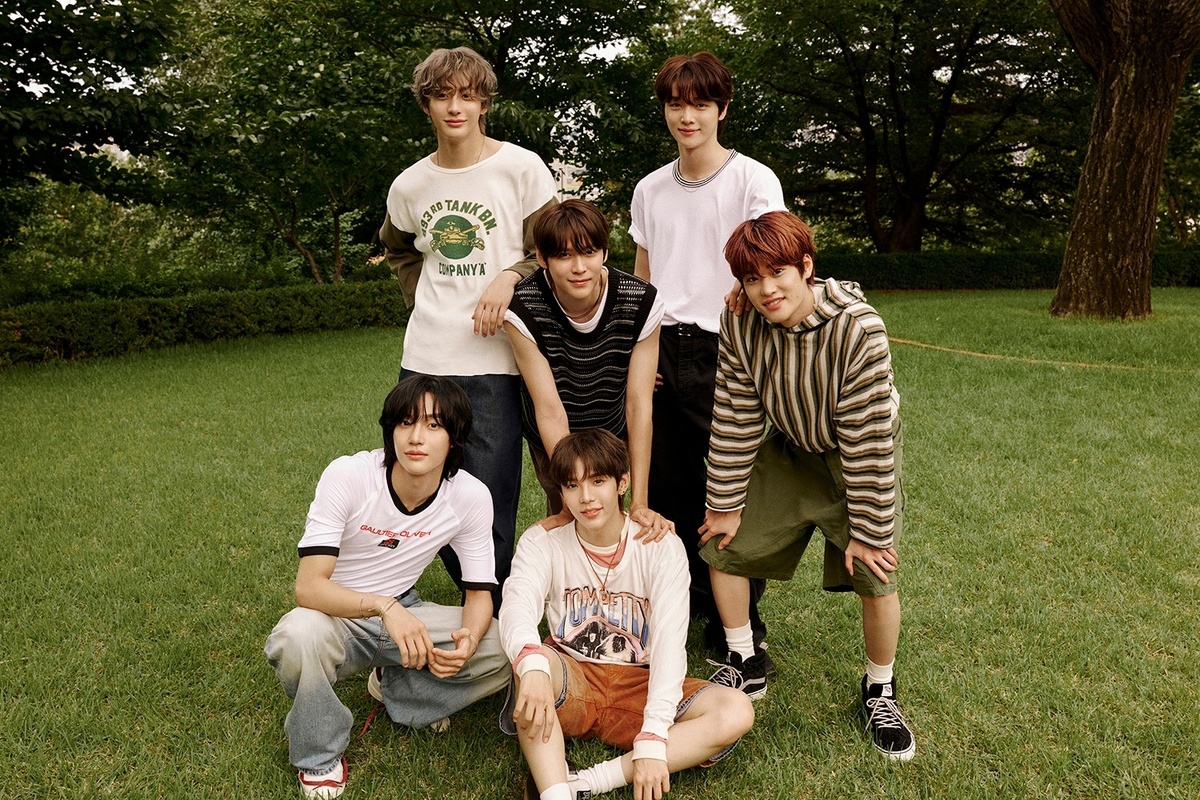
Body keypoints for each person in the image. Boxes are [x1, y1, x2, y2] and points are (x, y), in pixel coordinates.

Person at [698, 211, 915, 761]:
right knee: (722, 543)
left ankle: (880, 690)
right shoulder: (740, 322)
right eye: (752, 278)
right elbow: (735, 413)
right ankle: (745, 660)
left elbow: (868, 437)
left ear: (806, 267)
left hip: (854, 453)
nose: (767, 289)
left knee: (875, 570)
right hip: (792, 445)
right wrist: (724, 501)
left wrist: (869, 530)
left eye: (778, 273)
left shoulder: (858, 328)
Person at [264, 375, 512, 798]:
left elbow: (478, 594)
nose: (416, 437)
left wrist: (468, 640)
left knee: (505, 645)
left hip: (405, 611)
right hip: (335, 613)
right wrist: (384, 606)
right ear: (390, 429)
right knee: (296, 636)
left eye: (434, 425)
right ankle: (319, 755)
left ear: (455, 438)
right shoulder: (350, 476)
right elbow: (308, 588)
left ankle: (401, 690)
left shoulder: (469, 496)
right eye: (406, 422)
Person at [378, 46, 558, 606]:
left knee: (491, 491)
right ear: (426, 105)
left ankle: (493, 605)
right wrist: (422, 297)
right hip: (426, 357)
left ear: (484, 103)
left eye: (466, 95)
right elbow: (399, 250)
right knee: (416, 482)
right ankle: (452, 589)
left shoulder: (521, 169)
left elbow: (551, 251)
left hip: (496, 361)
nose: (455, 107)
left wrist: (509, 276)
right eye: (442, 96)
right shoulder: (410, 185)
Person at [628, 51, 786, 653]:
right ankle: (683, 602)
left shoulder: (753, 180)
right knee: (668, 489)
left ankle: (737, 627)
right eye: (676, 104)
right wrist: (639, 353)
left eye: (700, 104)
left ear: (722, 109)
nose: (687, 116)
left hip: (730, 344)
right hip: (662, 347)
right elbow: (643, 278)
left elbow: (772, 259)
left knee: (726, 489)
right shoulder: (649, 189)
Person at [499, 429, 754, 800]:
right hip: (573, 675)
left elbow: (669, 642)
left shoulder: (659, 546)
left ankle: (589, 782)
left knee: (735, 710)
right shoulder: (543, 541)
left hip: (639, 684)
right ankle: (555, 793)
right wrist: (532, 665)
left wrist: (653, 736)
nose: (586, 498)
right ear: (562, 492)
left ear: (622, 482)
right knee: (531, 663)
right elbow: (517, 606)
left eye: (597, 481)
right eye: (572, 485)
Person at [505, 198, 671, 538]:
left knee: (613, 517)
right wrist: (570, 493)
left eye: (589, 252)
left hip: (612, 424)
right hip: (552, 431)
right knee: (569, 517)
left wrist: (640, 501)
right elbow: (549, 410)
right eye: (564, 255)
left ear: (604, 252)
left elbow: (639, 403)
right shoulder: (522, 306)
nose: (579, 267)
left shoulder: (641, 301)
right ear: (542, 258)